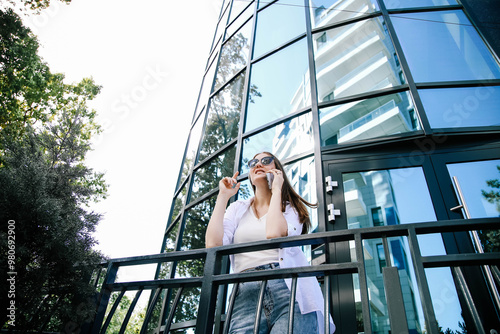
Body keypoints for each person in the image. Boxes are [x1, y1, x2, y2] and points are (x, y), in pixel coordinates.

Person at [205, 152, 335, 334]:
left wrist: (277, 190)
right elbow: (213, 244)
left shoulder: (292, 209)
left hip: (288, 288)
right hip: (245, 292)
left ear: (278, 171)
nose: (258, 164)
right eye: (253, 162)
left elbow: (274, 233)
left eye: (266, 161)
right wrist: (223, 196)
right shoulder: (237, 209)